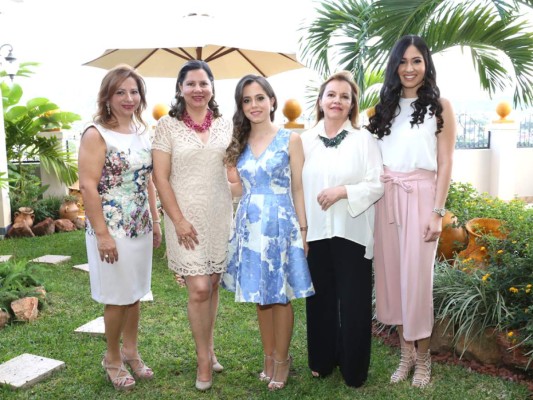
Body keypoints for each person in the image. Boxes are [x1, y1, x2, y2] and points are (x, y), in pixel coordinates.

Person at [366, 35, 457, 388]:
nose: (409, 68)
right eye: (403, 61)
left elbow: (446, 161)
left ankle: (424, 358)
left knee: (417, 280)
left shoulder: (440, 106)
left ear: (426, 64)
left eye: (416, 61)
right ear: (394, 66)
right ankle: (405, 355)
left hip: (421, 197)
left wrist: (437, 211)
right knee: (392, 278)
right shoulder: (381, 109)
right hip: (386, 197)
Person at [222, 75, 314, 391]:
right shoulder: (239, 142)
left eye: (260, 98)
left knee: (280, 294)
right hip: (250, 224)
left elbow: (299, 188)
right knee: (261, 296)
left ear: (272, 101)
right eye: (246, 100)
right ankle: (268, 355)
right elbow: (236, 187)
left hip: (280, 223)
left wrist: (303, 230)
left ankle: (283, 359)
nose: (254, 105)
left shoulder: (291, 139)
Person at [78, 64, 162, 391]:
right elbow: (87, 185)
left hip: (139, 225)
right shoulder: (96, 134)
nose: (129, 98)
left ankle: (131, 350)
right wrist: (101, 234)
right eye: (120, 92)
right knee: (117, 297)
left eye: (134, 91)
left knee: (136, 292)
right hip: (111, 228)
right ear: (107, 97)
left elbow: (149, 181)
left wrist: (155, 221)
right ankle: (112, 358)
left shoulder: (143, 132)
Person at [151, 60, 233, 391]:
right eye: (191, 84)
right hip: (183, 217)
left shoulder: (227, 124)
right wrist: (179, 220)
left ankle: (210, 348)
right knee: (198, 287)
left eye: (204, 83)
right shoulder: (166, 127)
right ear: (180, 89)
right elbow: (160, 177)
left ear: (212, 87)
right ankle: (202, 360)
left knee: (212, 285)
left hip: (219, 214)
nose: (198, 89)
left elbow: (234, 168)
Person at [301, 71, 384, 388]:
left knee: (354, 303)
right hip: (316, 233)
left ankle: (354, 369)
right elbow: (296, 186)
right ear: (321, 100)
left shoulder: (365, 140)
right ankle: (321, 361)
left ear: (352, 105)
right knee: (319, 300)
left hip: (353, 232)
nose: (337, 100)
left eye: (344, 96)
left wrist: (343, 191)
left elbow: (376, 184)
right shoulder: (304, 141)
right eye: (331, 94)